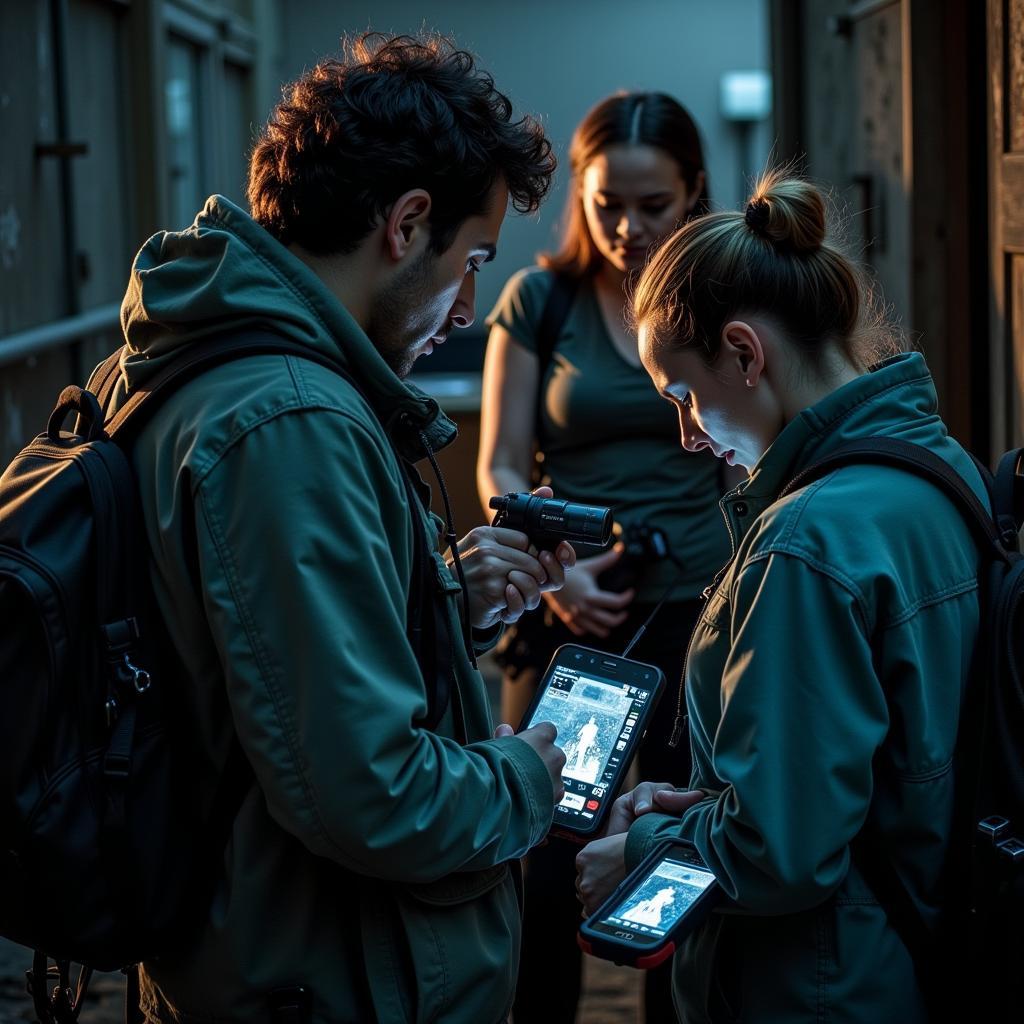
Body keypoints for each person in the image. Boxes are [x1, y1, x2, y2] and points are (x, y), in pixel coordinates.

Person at [104, 33, 577, 1024]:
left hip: (260, 952)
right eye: (473, 259)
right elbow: (370, 792)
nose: (470, 304)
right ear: (407, 224)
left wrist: (440, 596)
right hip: (326, 976)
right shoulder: (289, 422)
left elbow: (256, 672)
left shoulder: (213, 363)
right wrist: (526, 776)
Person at [575, 169, 986, 1023]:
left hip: (815, 983)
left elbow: (781, 851)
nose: (688, 436)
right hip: (910, 953)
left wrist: (641, 850)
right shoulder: (940, 469)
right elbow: (879, 767)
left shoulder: (804, 543)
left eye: (684, 397)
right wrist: (706, 805)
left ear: (744, 352)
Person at [476, 91, 731, 1023]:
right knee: (541, 855)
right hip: (567, 617)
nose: (627, 227)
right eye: (604, 203)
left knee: (674, 855)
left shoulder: (718, 299)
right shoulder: (539, 299)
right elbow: (502, 460)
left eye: (653, 206)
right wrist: (558, 578)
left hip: (699, 618)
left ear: (695, 191)